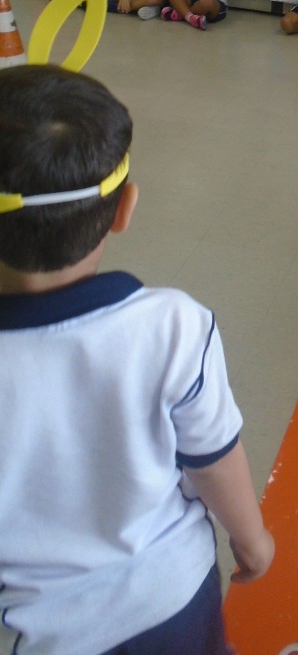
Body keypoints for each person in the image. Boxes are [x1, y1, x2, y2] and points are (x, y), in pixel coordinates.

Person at [0, 64, 274, 655]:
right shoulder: (173, 327)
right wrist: (252, 542)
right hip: (175, 596)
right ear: (125, 208)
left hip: (52, 633)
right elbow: (213, 460)